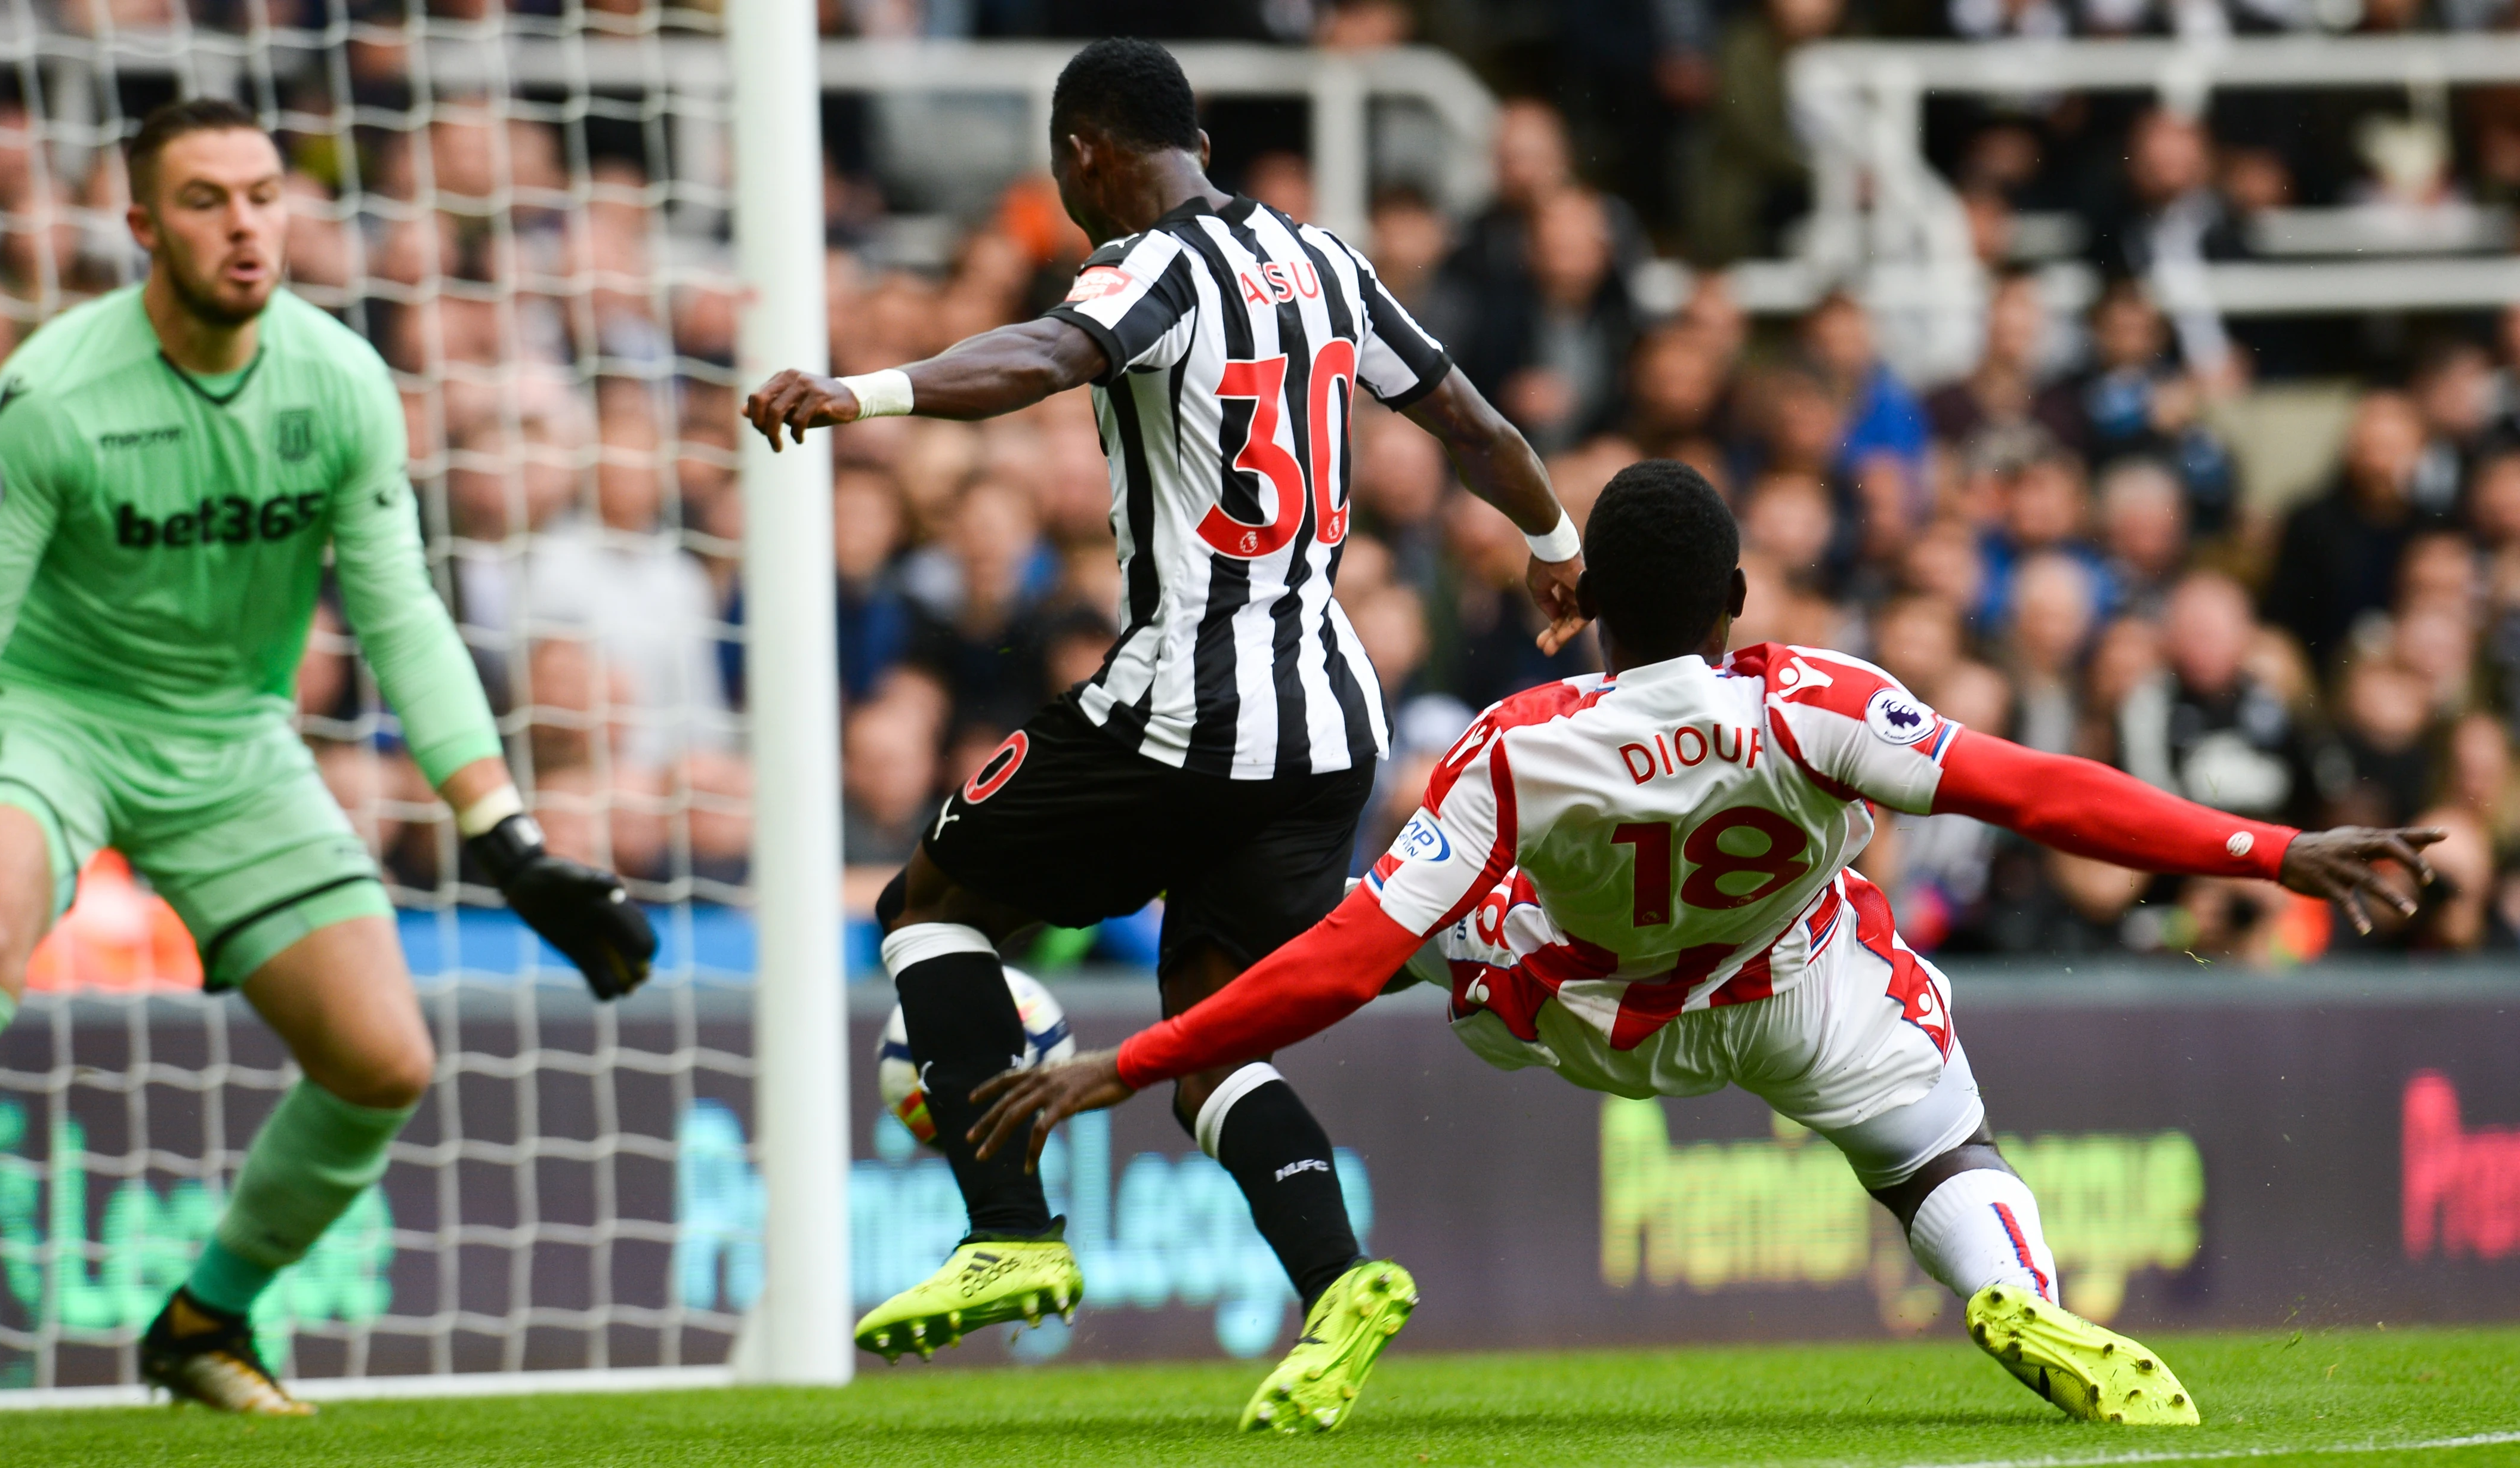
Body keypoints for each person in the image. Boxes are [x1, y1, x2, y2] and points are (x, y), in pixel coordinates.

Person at [971, 460, 2442, 1431]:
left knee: (1377, 920)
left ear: (1587, 607)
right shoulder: (1814, 697)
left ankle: (1345, 1224)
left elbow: (1339, 967)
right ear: (1735, 601)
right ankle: (2016, 1295)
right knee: (1939, 1158)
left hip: (1583, 1012)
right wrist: (2273, 849)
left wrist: (1137, 1061)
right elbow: (2040, 793)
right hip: (1802, 990)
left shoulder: (1515, 747)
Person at [742, 38, 1584, 1430]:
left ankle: (1007, 1223)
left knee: (930, 907)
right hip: (1328, 720)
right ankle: (1335, 1279)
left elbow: (1042, 353)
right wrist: (1551, 539)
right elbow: (1463, 417)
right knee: (1202, 1030)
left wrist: (862, 393)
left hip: (1187, 701)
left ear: (1085, 151)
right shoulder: (1322, 262)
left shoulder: (1143, 264)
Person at [0, 100, 654, 1414]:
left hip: (234, 741)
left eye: (263, 193)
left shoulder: (338, 382)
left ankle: (205, 1319)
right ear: (143, 226)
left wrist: (507, 837)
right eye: (207, 200)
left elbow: (400, 614)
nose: (247, 224)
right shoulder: (50, 392)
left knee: (384, 1064)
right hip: (52, 718)